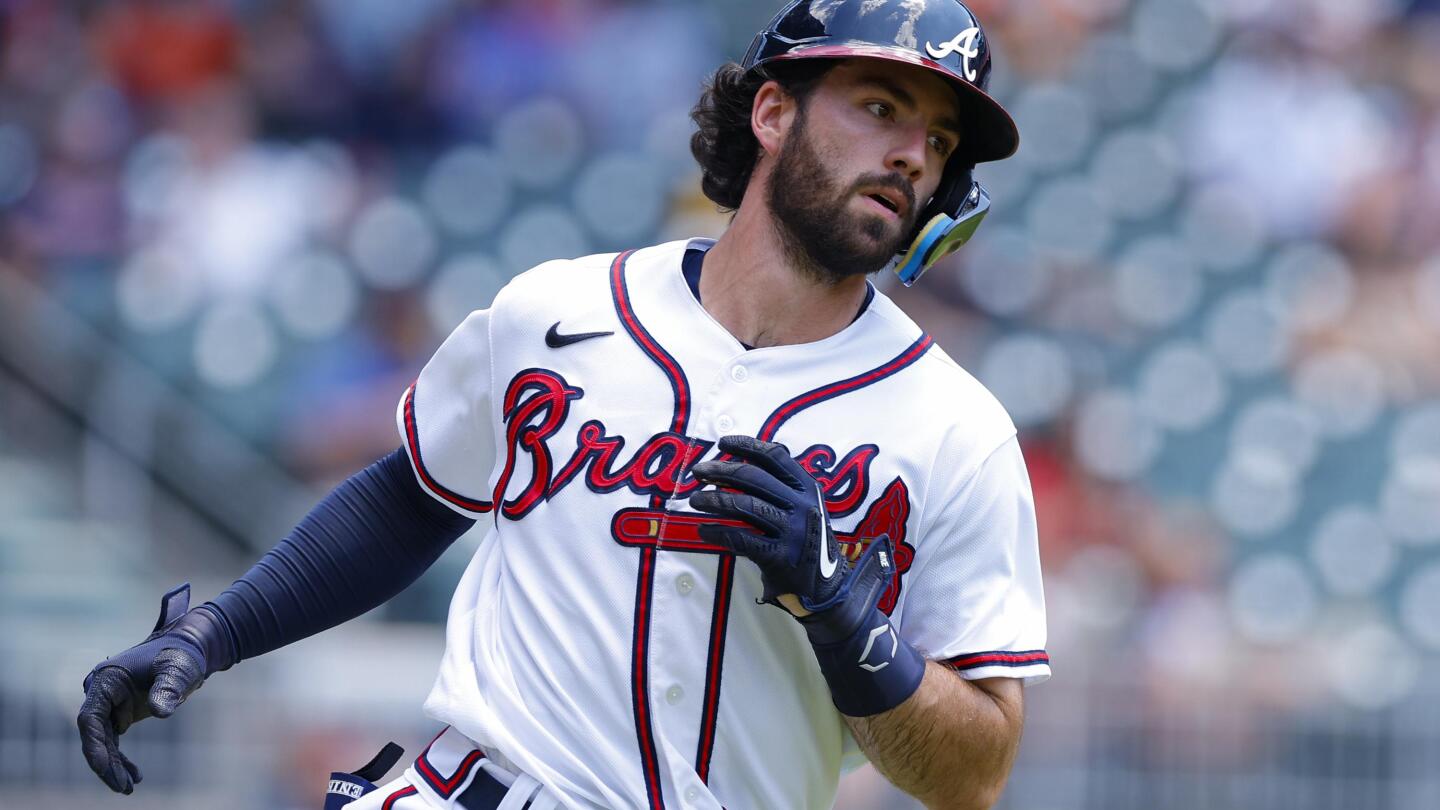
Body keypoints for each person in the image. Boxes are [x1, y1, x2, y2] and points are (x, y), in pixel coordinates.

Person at [76, 1, 1049, 807]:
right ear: (771, 115)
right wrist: (217, 632)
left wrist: (843, 615)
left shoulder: (955, 431)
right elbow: (413, 498)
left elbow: (975, 771)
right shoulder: (561, 313)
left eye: (939, 139)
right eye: (880, 106)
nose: (912, 155)